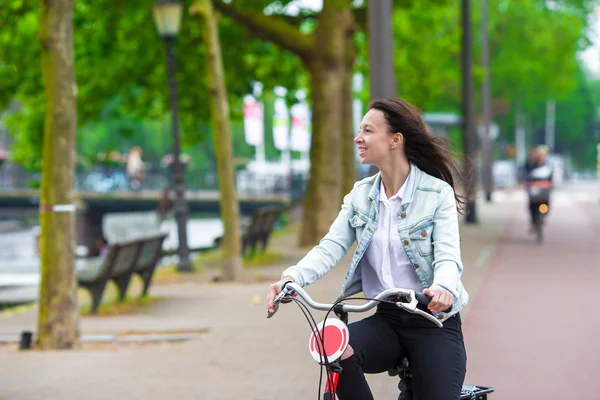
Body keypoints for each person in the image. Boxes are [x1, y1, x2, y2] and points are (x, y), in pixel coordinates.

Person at [266, 98, 469, 400]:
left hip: (432, 320)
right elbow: (330, 246)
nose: (357, 138)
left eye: (368, 131)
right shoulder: (361, 195)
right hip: (388, 319)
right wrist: (291, 277)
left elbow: (448, 256)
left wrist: (442, 288)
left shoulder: (436, 193)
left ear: (394, 140)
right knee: (331, 347)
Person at [522, 145, 553, 233]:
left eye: (543, 154)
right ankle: (533, 222)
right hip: (534, 189)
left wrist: (550, 183)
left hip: (544, 189)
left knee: (545, 204)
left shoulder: (548, 164)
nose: (541, 156)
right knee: (532, 205)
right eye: (539, 154)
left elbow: (551, 176)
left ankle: (543, 216)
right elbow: (526, 174)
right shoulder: (531, 164)